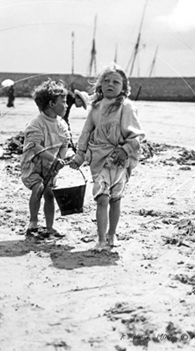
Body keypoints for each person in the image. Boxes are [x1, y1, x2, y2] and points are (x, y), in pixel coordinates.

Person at [70, 64, 146, 251]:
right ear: (100, 85)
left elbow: (138, 136)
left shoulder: (126, 107)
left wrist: (126, 149)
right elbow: (87, 132)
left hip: (119, 161)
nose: (110, 84)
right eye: (106, 81)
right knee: (102, 197)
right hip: (99, 159)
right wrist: (80, 155)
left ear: (123, 87)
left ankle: (112, 234)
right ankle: (101, 239)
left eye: (116, 82)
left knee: (115, 198)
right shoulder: (95, 107)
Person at [21, 80, 74, 238]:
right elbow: (34, 146)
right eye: (63, 102)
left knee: (49, 193)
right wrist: (54, 158)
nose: (66, 105)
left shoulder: (61, 124)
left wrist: (61, 159)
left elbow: (65, 143)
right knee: (38, 188)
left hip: (50, 166)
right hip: (33, 165)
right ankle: (33, 222)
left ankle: (50, 226)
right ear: (51, 103)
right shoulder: (36, 123)